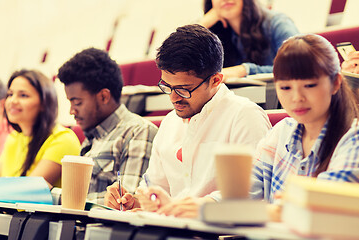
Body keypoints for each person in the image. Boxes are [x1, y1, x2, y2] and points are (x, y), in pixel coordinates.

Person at [104, 24, 271, 217]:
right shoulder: (169, 123)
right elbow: (155, 191)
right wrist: (135, 202)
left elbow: (252, 193)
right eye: (167, 86)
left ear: (216, 80)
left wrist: (200, 208)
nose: (174, 97)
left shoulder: (245, 116)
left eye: (184, 89)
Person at [250, 34, 359, 219]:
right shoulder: (281, 131)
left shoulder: (353, 139)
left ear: (335, 83)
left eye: (309, 85)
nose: (297, 98)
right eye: (285, 88)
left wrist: (236, 212)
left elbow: (320, 212)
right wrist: (208, 204)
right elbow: (243, 190)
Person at [57, 48, 158, 203]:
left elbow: (126, 202)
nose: (71, 111)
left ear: (104, 96)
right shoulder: (93, 135)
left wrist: (61, 199)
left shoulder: (138, 131)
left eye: (77, 102)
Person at [0, 69, 81, 198]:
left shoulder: (63, 139)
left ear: (44, 102)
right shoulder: (14, 138)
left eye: (23, 95)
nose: (12, 101)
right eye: (10, 94)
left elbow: (27, 193)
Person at [200, 0, 299, 78]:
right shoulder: (221, 34)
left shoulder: (278, 24)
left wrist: (245, 70)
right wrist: (201, 25)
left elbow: (297, 67)